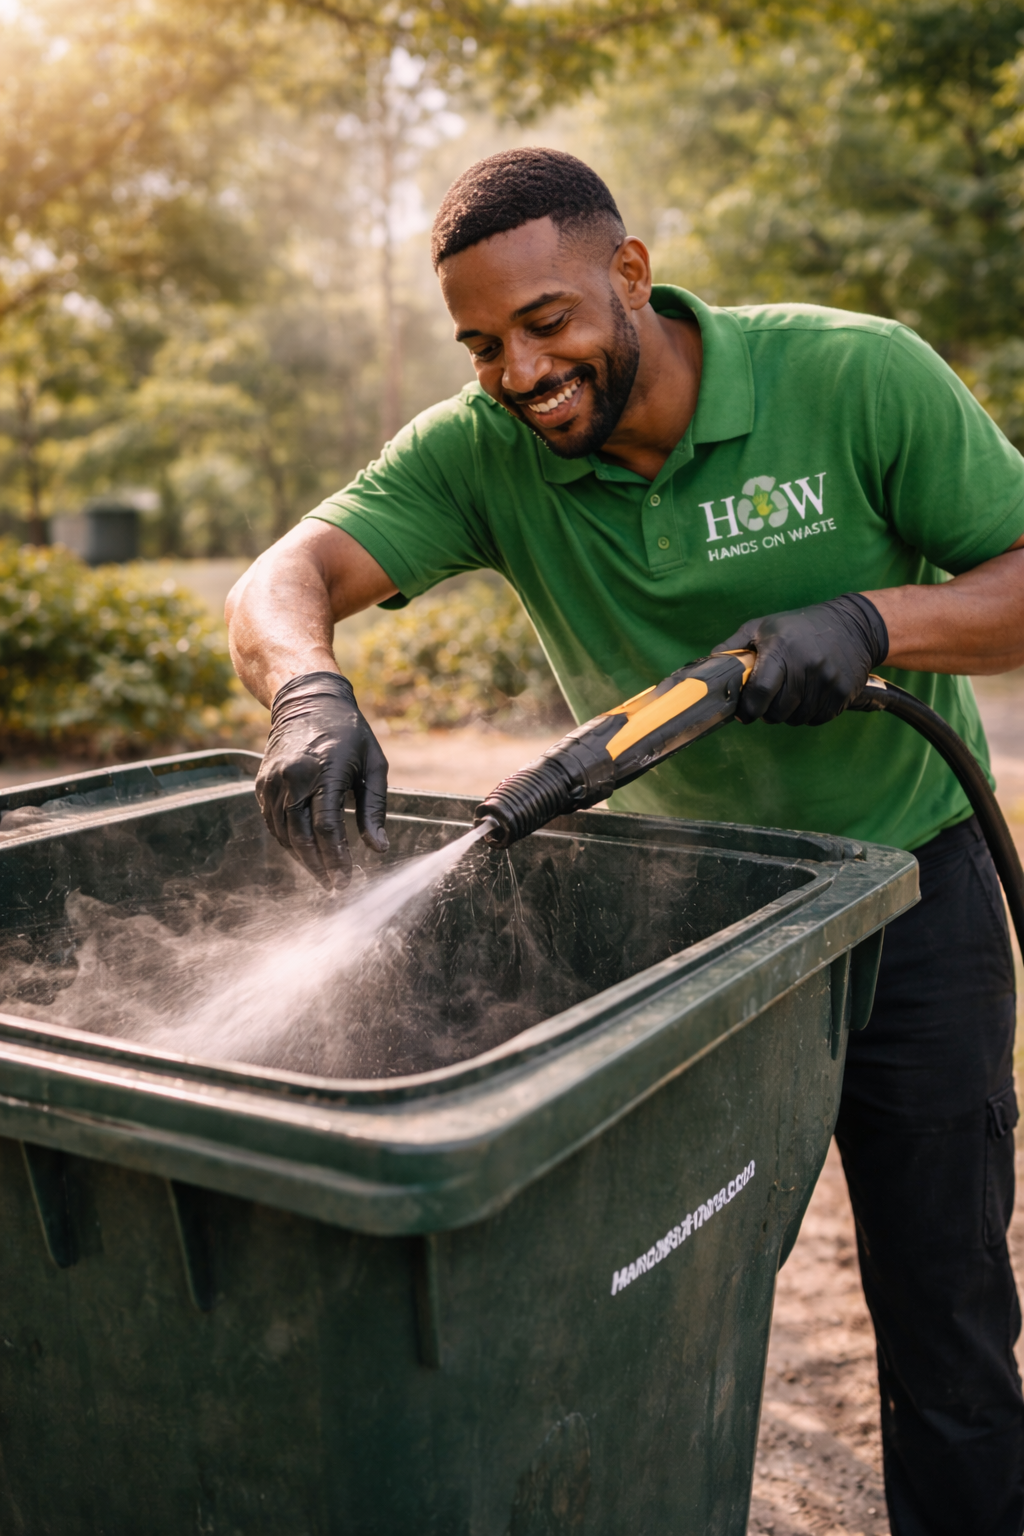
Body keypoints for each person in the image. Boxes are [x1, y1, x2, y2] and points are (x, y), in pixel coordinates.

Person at [226, 148, 1024, 1535]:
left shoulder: (856, 377)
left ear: (630, 273)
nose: (520, 373)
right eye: (483, 345)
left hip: (912, 897)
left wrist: (874, 623)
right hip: (686, 931)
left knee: (948, 1311)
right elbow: (282, 576)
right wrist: (304, 684)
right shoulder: (483, 452)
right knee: (652, 1284)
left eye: (548, 323)